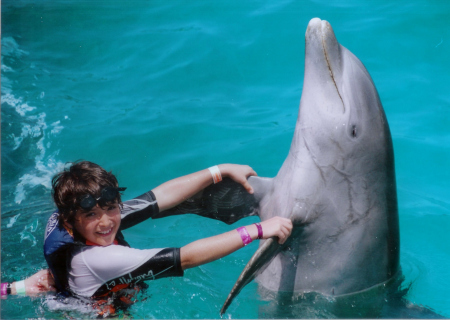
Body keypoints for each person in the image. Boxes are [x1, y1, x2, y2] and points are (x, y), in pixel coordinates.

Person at [2, 161, 292, 316]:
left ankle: (23, 288)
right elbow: (185, 258)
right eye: (92, 216)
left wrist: (218, 171)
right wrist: (257, 230)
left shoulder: (77, 222)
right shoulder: (101, 257)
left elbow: (157, 199)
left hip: (76, 286)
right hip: (95, 311)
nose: (105, 222)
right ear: (71, 220)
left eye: (112, 208)